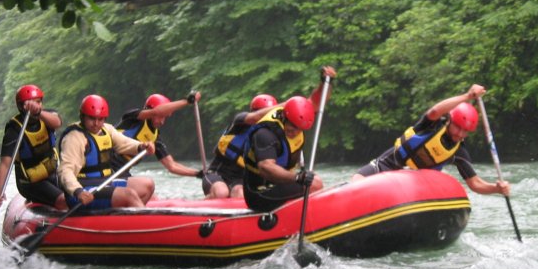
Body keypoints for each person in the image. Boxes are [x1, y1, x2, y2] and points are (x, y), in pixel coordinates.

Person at [351, 84, 511, 198]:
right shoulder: (431, 125)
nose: (460, 133)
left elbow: (475, 183)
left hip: (412, 187)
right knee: (355, 183)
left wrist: (496, 188)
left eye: (465, 131)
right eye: (458, 127)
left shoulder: (459, 152)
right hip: (387, 165)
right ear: (450, 120)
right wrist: (467, 97)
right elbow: (434, 110)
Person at [242, 67, 337, 213]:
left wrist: (326, 82)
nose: (294, 133)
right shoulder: (265, 134)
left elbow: (316, 102)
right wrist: (297, 177)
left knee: (315, 179)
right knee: (315, 184)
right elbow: (266, 168)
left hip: (278, 185)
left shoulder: (297, 116)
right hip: (260, 193)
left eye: (299, 130)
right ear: (284, 118)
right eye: (291, 129)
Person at [57, 94, 156, 210]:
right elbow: (65, 171)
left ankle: (123, 220)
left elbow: (125, 143)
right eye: (92, 118)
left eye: (100, 119)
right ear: (82, 116)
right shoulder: (74, 137)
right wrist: (78, 191)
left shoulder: (107, 130)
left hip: (104, 181)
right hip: (83, 190)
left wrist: (142, 146)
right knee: (129, 194)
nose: (96, 123)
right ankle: (140, 221)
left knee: (147, 185)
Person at [112, 91, 205, 191]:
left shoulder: (155, 138)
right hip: (109, 167)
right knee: (143, 190)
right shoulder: (132, 118)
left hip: (122, 172)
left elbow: (172, 166)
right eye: (160, 117)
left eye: (164, 117)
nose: (162, 121)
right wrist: (187, 101)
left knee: (151, 196)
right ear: (149, 110)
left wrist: (198, 173)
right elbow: (157, 112)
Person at [0, 85, 66, 210]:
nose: (36, 105)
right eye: (31, 103)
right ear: (21, 106)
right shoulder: (14, 130)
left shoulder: (47, 116)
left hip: (53, 174)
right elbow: (5, 165)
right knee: (64, 201)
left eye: (38, 102)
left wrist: (38, 112)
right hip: (30, 183)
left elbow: (57, 123)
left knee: (76, 194)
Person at [202, 93, 279, 199]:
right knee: (221, 192)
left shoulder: (267, 137)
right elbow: (255, 117)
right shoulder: (240, 122)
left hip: (239, 179)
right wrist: (285, 105)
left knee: (240, 194)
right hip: (217, 173)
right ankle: (200, 209)